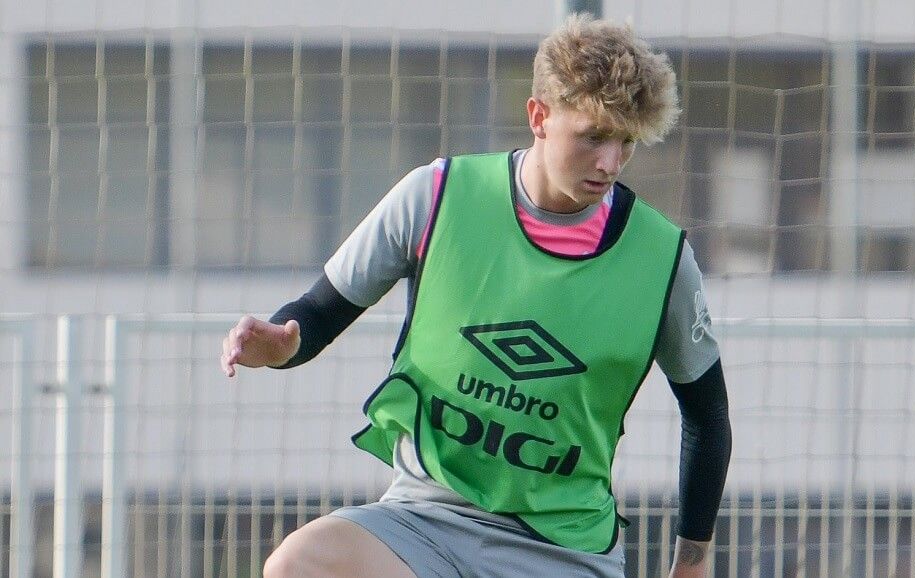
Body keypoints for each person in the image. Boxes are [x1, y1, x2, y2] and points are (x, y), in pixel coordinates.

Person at [221, 15, 731, 578]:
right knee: (297, 564)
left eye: (626, 142)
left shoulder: (661, 259)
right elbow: (316, 315)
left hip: (561, 549)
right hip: (423, 521)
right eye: (592, 135)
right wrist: (281, 343)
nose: (609, 163)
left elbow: (706, 416)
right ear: (538, 116)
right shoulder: (435, 197)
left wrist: (692, 561)